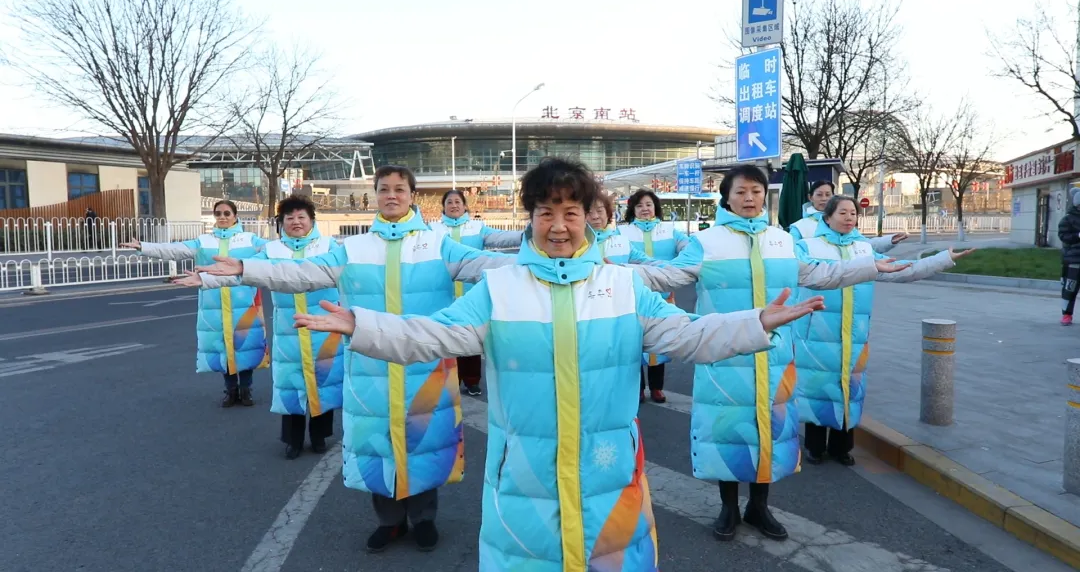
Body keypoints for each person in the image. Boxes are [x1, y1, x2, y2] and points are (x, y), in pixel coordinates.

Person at [291, 156, 826, 571]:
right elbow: (433, 335)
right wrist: (363, 326)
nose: (559, 225)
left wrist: (755, 323)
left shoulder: (624, 285)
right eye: (546, 211)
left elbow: (688, 337)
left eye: (571, 212)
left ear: (589, 219)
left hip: (609, 473)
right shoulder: (499, 287)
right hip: (522, 477)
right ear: (531, 218)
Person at [196, 166, 521, 554]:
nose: (392, 195)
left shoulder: (439, 244)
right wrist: (247, 269)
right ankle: (390, 522)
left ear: (412, 195)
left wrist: (542, 262)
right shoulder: (354, 247)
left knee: (426, 443)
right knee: (375, 445)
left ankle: (425, 519)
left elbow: (486, 264)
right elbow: (301, 273)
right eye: (384, 189)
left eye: (400, 189)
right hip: (369, 368)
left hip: (426, 369)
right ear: (377, 195)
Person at [661, 165, 908, 542]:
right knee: (728, 432)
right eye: (741, 192)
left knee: (771, 433)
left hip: (776, 357)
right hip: (725, 356)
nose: (749, 199)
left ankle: (759, 508)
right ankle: (728, 508)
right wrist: (613, 276)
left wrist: (868, 266)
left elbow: (822, 274)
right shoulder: (707, 242)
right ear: (726, 197)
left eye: (756, 192)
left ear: (765, 197)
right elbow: (668, 275)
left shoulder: (781, 240)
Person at [793, 195, 974, 465]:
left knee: (850, 390)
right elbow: (812, 274)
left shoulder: (862, 248)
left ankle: (842, 448)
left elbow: (901, 270)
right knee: (818, 387)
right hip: (817, 332)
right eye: (842, 213)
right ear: (827, 216)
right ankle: (815, 447)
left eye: (853, 213)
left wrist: (942, 259)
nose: (849, 218)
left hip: (855, 333)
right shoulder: (808, 247)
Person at [175, 195, 344, 460]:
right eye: (289, 218)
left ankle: (321, 435)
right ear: (281, 223)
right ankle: (294, 440)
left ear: (312, 220)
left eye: (301, 217)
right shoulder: (272, 251)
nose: (296, 222)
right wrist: (206, 279)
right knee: (290, 384)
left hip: (325, 327)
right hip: (290, 330)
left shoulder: (330, 246)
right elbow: (241, 275)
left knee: (325, 379)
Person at [120, 200, 269, 406]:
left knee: (245, 347)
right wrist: (143, 247)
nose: (223, 217)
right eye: (218, 213)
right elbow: (173, 249)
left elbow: (274, 252)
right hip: (212, 305)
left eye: (227, 213)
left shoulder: (250, 240)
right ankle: (231, 390)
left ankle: (246, 390)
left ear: (235, 215)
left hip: (245, 306)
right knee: (220, 349)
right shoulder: (203, 241)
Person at [427, 189, 523, 397]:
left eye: (457, 202)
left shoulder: (477, 228)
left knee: (470, 341)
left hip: (472, 295)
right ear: (443, 207)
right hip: (443, 295)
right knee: (443, 340)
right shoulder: (432, 231)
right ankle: (448, 382)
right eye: (449, 202)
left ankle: (471, 381)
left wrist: (526, 235)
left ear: (465, 206)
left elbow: (501, 238)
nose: (453, 205)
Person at [622, 189, 691, 404]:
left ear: (656, 208)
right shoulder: (622, 234)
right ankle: (639, 388)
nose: (645, 209)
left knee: (661, 341)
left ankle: (657, 388)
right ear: (633, 209)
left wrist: (676, 270)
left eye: (649, 205)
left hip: (664, 297)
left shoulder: (670, 231)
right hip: (632, 295)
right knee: (634, 343)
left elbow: (690, 249)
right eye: (640, 205)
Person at [789, 180, 906, 253]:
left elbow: (865, 246)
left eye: (828, 194)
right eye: (819, 195)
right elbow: (793, 252)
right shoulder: (799, 227)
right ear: (810, 197)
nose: (824, 198)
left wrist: (889, 241)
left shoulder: (844, 223)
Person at [586, 192, 655, 264]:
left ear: (608, 213)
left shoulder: (622, 242)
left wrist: (621, 271)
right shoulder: (576, 245)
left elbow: (648, 262)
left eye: (600, 211)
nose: (595, 216)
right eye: (589, 212)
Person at [1058, 187, 1080, 326]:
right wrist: (1077, 236)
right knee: (1070, 288)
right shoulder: (1067, 219)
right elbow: (1063, 236)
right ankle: (1066, 314)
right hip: (1074, 260)